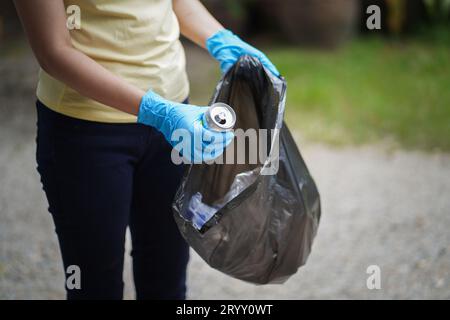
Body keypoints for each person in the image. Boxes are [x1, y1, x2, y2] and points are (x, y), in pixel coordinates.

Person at [14, 0, 279, 300]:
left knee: (167, 275)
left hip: (175, 119)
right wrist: (155, 110)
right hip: (85, 132)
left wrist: (220, 38)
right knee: (91, 283)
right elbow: (53, 52)